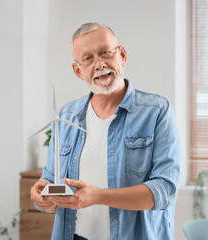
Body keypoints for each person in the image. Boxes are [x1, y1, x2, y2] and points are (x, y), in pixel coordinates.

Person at [30, 22, 180, 240]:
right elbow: (51, 183)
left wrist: (98, 196)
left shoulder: (157, 111)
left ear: (122, 55)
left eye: (105, 53)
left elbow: (164, 191)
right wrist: (42, 198)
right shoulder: (65, 116)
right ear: (78, 71)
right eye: (88, 59)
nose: (99, 64)